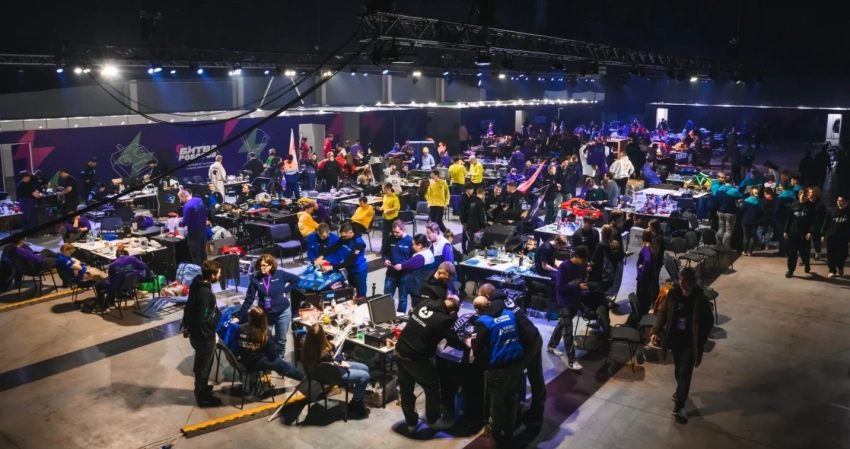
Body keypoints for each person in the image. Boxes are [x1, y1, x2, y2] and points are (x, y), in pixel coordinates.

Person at [650, 267, 714, 423]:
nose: (681, 283)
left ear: (692, 282)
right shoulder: (673, 294)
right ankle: (681, 392)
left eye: (685, 281)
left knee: (685, 372)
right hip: (675, 340)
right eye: (680, 280)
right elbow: (663, 313)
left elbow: (708, 322)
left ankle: (679, 405)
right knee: (678, 370)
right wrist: (655, 331)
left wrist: (700, 339)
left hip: (690, 342)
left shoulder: (699, 299)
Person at [395, 295, 465, 433]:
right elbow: (453, 340)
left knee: (406, 389)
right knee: (432, 387)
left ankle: (411, 424)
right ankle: (434, 420)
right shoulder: (444, 319)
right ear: (452, 312)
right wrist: (467, 346)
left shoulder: (424, 303)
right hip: (416, 358)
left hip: (399, 351)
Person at [479, 284, 546, 425]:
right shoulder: (505, 297)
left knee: (512, 377)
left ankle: (509, 418)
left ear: (486, 297)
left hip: (526, 344)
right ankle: (537, 410)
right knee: (536, 377)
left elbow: (485, 321)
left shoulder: (495, 305)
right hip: (534, 335)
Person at [472, 296, 525, 445]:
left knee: (497, 402)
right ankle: (509, 431)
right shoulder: (509, 314)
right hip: (517, 364)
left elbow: (477, 349)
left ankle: (495, 432)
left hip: (498, 368)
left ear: (477, 310)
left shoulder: (482, 321)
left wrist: (487, 363)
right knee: (512, 399)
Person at [235, 254, 300, 359]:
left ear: (271, 266)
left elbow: (297, 279)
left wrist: (286, 290)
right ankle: (267, 360)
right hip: (265, 314)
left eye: (264, 266)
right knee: (264, 338)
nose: (262, 268)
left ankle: (280, 360)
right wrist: (239, 316)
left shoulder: (280, 274)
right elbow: (249, 300)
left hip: (283, 312)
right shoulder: (255, 280)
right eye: (260, 266)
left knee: (281, 340)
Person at [301, 323, 371, 418]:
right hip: (333, 374)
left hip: (322, 372)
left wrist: (336, 357)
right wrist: (341, 356)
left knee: (364, 368)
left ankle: (359, 397)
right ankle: (356, 404)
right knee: (364, 376)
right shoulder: (324, 354)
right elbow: (335, 361)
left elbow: (331, 359)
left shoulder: (306, 347)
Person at [181, 260, 223, 407]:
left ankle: (201, 387)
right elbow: (202, 317)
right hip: (203, 337)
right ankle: (202, 397)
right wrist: (208, 333)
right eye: (218, 273)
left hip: (195, 334)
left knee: (200, 362)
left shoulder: (196, 283)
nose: (220, 275)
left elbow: (189, 307)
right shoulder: (205, 293)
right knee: (204, 365)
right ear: (212, 275)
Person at [236, 306, 305, 393]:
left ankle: (256, 383)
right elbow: (273, 354)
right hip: (258, 363)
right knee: (287, 367)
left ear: (249, 318)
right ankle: (306, 379)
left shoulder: (240, 329)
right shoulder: (265, 333)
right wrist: (274, 344)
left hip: (244, 361)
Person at [547, 244, 589, 371]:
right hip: (564, 301)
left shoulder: (582, 266)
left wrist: (586, 278)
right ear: (577, 256)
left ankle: (551, 345)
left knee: (563, 324)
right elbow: (560, 288)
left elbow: (583, 279)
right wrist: (578, 287)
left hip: (575, 300)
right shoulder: (564, 267)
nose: (585, 262)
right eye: (584, 259)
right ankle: (572, 360)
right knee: (568, 330)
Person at [321, 223, 369, 297]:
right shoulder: (344, 238)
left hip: (359, 271)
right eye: (342, 236)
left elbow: (349, 262)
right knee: (351, 292)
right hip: (350, 270)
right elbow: (335, 247)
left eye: (344, 236)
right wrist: (322, 256)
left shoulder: (359, 244)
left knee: (361, 295)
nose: (342, 238)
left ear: (350, 232)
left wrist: (331, 267)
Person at [392, 234, 435, 310]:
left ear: (420, 245)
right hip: (426, 286)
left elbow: (408, 264)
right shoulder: (429, 252)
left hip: (418, 289)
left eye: (413, 244)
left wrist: (400, 266)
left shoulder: (420, 256)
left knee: (416, 309)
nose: (412, 246)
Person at [591, 224, 626, 304]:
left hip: (601, 275)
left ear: (604, 233)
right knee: (607, 292)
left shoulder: (600, 245)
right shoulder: (616, 244)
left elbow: (594, 260)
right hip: (612, 274)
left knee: (600, 293)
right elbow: (620, 257)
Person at [784, 189, 815, 278]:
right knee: (792, 253)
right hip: (794, 232)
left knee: (804, 252)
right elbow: (789, 219)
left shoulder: (811, 206)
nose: (803, 197)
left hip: (805, 233)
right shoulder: (793, 205)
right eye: (801, 195)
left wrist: (811, 232)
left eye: (805, 196)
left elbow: (814, 221)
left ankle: (806, 263)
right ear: (798, 195)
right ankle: (790, 270)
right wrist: (786, 231)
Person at [822, 194, 850, 278]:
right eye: (838, 201)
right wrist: (823, 234)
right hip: (832, 236)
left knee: (842, 255)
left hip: (844, 238)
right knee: (831, 254)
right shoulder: (832, 211)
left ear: (847, 202)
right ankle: (832, 270)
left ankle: (840, 266)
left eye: (842, 201)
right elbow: (826, 223)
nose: (839, 202)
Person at [178, 189, 208, 265]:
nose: (180, 201)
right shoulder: (199, 200)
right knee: (203, 253)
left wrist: (179, 223)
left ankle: (198, 272)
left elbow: (185, 222)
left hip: (194, 233)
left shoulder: (187, 206)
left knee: (195, 255)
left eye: (180, 198)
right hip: (203, 230)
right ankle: (207, 270)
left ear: (183, 196)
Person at [635, 230, 659, 315]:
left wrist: (642, 268)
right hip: (649, 277)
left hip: (643, 278)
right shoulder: (653, 246)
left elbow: (647, 261)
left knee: (641, 299)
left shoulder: (646, 248)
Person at [715, 176, 742, 247]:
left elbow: (716, 201)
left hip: (720, 212)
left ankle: (718, 243)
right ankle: (726, 246)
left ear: (724, 181)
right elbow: (740, 198)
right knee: (728, 231)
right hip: (730, 213)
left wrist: (718, 210)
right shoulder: (734, 191)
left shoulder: (719, 190)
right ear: (731, 181)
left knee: (721, 229)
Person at [375, 182, 400, 254]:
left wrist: (388, 210)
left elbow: (397, 208)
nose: (382, 189)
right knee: (384, 236)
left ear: (387, 188)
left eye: (383, 188)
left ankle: (395, 250)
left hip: (393, 220)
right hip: (385, 219)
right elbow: (385, 205)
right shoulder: (385, 196)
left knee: (395, 235)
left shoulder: (395, 197)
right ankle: (383, 250)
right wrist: (381, 208)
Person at [741, 186, 763, 256]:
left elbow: (742, 210)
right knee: (752, 236)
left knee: (745, 236)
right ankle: (750, 252)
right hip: (755, 221)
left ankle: (745, 251)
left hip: (745, 221)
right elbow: (761, 212)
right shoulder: (760, 202)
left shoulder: (746, 201)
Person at [466, 187, 488, 254]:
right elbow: (482, 216)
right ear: (483, 194)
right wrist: (484, 225)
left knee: (471, 241)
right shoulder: (480, 203)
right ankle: (469, 255)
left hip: (469, 224)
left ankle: (467, 254)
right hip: (476, 227)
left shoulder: (472, 202)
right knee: (474, 243)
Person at [808, 187, 827, 261]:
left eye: (811, 192)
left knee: (816, 240)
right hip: (807, 224)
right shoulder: (806, 203)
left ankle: (817, 252)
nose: (809, 194)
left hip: (817, 224)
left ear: (815, 194)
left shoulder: (820, 204)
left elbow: (821, 216)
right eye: (809, 192)